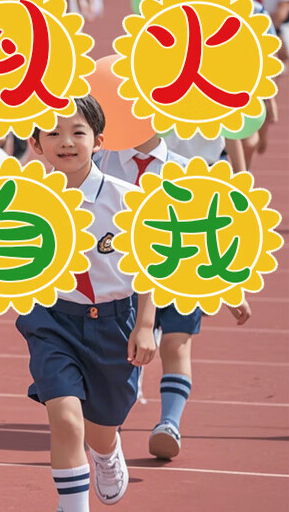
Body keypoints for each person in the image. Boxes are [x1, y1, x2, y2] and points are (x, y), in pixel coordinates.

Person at [17, 96, 157, 511]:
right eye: (53, 133)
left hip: (114, 323)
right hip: (51, 320)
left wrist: (144, 325)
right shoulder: (22, 200)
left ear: (98, 141)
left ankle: (106, 452)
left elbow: (151, 267)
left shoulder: (127, 198)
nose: (66, 141)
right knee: (64, 418)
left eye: (78, 132)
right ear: (36, 144)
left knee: (100, 429)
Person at [94, 134, 251, 460]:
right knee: (122, 351)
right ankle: (111, 424)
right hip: (123, 279)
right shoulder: (101, 164)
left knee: (176, 345)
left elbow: (209, 230)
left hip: (181, 271)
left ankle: (169, 423)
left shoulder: (187, 171)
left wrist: (227, 285)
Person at [194, 0, 279, 165]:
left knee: (247, 141)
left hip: (241, 87)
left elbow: (267, 52)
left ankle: (243, 174)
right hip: (202, 89)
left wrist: (268, 97)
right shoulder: (184, 10)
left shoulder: (253, 9)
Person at [166, 0, 253, 173]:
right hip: (165, 162)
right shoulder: (158, 35)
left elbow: (229, 117)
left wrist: (241, 174)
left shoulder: (227, 40)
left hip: (212, 162)